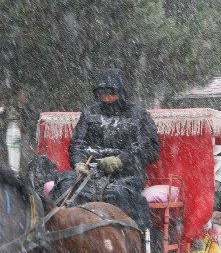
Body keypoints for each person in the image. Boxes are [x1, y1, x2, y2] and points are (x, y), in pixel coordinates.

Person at [53, 68, 159, 233]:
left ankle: (124, 238)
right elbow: (77, 144)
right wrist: (79, 163)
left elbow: (151, 148)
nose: (107, 98)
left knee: (117, 195)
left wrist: (121, 160)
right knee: (65, 187)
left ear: (122, 93)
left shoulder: (139, 115)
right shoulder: (89, 113)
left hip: (126, 175)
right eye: (103, 94)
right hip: (90, 173)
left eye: (111, 94)